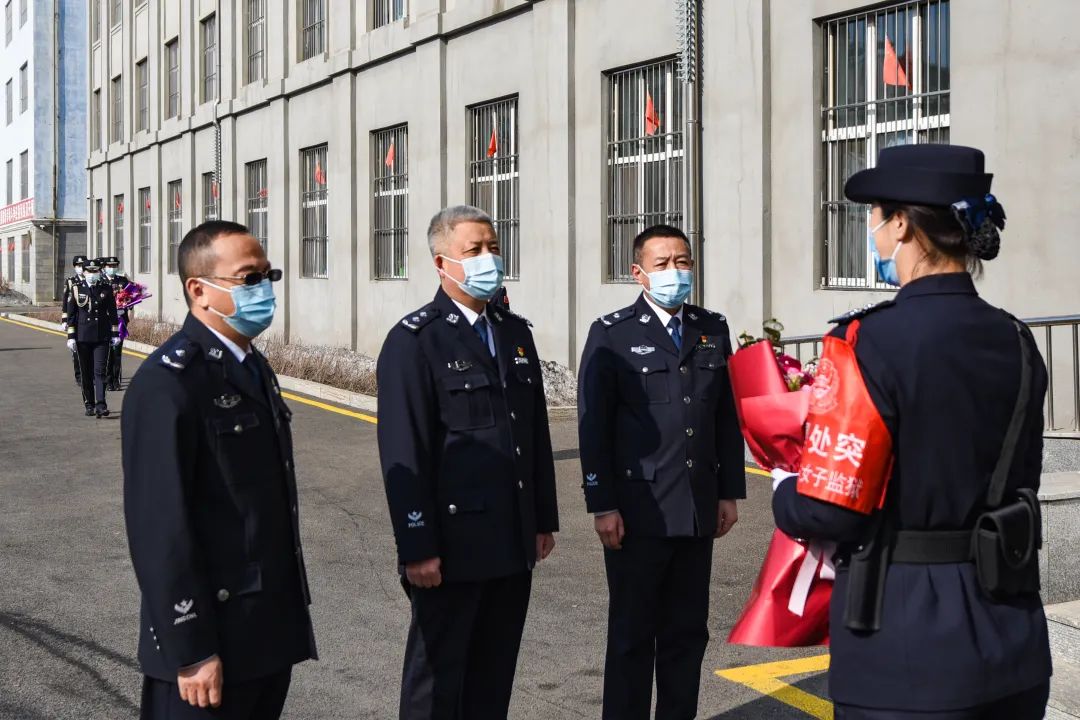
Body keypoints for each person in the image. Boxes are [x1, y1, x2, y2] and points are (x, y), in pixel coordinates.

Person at [772, 145, 1051, 719]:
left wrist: (784, 492)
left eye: (875, 215)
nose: (872, 230)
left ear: (901, 223)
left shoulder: (866, 342)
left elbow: (833, 511)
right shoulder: (1017, 339)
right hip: (1012, 639)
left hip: (903, 648)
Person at [121, 221, 316, 720]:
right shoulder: (170, 384)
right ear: (199, 290)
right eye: (248, 278)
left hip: (263, 634)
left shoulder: (253, 367)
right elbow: (159, 529)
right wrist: (192, 649)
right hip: (208, 647)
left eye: (268, 275)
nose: (264, 289)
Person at [376, 205, 559, 720]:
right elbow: (404, 452)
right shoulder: (415, 341)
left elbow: (534, 435)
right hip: (450, 550)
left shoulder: (514, 333)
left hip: (512, 540)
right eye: (473, 250)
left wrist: (543, 519)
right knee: (436, 684)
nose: (488, 259)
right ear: (441, 263)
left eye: (493, 247)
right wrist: (417, 548)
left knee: (492, 678)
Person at [577, 224, 745, 720]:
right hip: (638, 512)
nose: (676, 272)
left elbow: (724, 416)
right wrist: (602, 505)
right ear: (639, 273)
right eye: (664, 263)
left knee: (687, 634)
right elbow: (594, 428)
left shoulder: (711, 328)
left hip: (695, 509)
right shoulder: (612, 334)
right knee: (632, 637)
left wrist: (728, 492)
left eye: (684, 261)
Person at [65, 258, 119, 417]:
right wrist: (71, 337)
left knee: (100, 371)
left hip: (101, 337)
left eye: (95, 271)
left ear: (99, 272)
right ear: (84, 272)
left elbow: (113, 313)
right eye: (89, 271)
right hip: (82, 338)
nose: (92, 274)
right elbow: (72, 315)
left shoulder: (106, 289)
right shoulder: (76, 289)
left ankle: (101, 405)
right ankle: (89, 403)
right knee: (86, 373)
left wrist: (115, 333)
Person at [102, 256, 131, 390]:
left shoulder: (123, 281)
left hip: (120, 321)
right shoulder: (101, 282)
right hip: (105, 322)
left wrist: (127, 304)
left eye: (114, 266)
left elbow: (131, 297)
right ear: (105, 267)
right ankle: (107, 380)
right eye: (109, 266)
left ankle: (116, 379)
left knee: (117, 351)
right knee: (106, 351)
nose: (112, 269)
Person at [61, 254, 88, 386]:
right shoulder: (71, 281)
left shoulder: (91, 280)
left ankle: (89, 375)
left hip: (88, 321)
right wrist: (64, 319)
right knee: (76, 349)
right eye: (78, 265)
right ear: (74, 267)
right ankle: (79, 376)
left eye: (82, 265)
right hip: (75, 320)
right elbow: (67, 301)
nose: (80, 268)